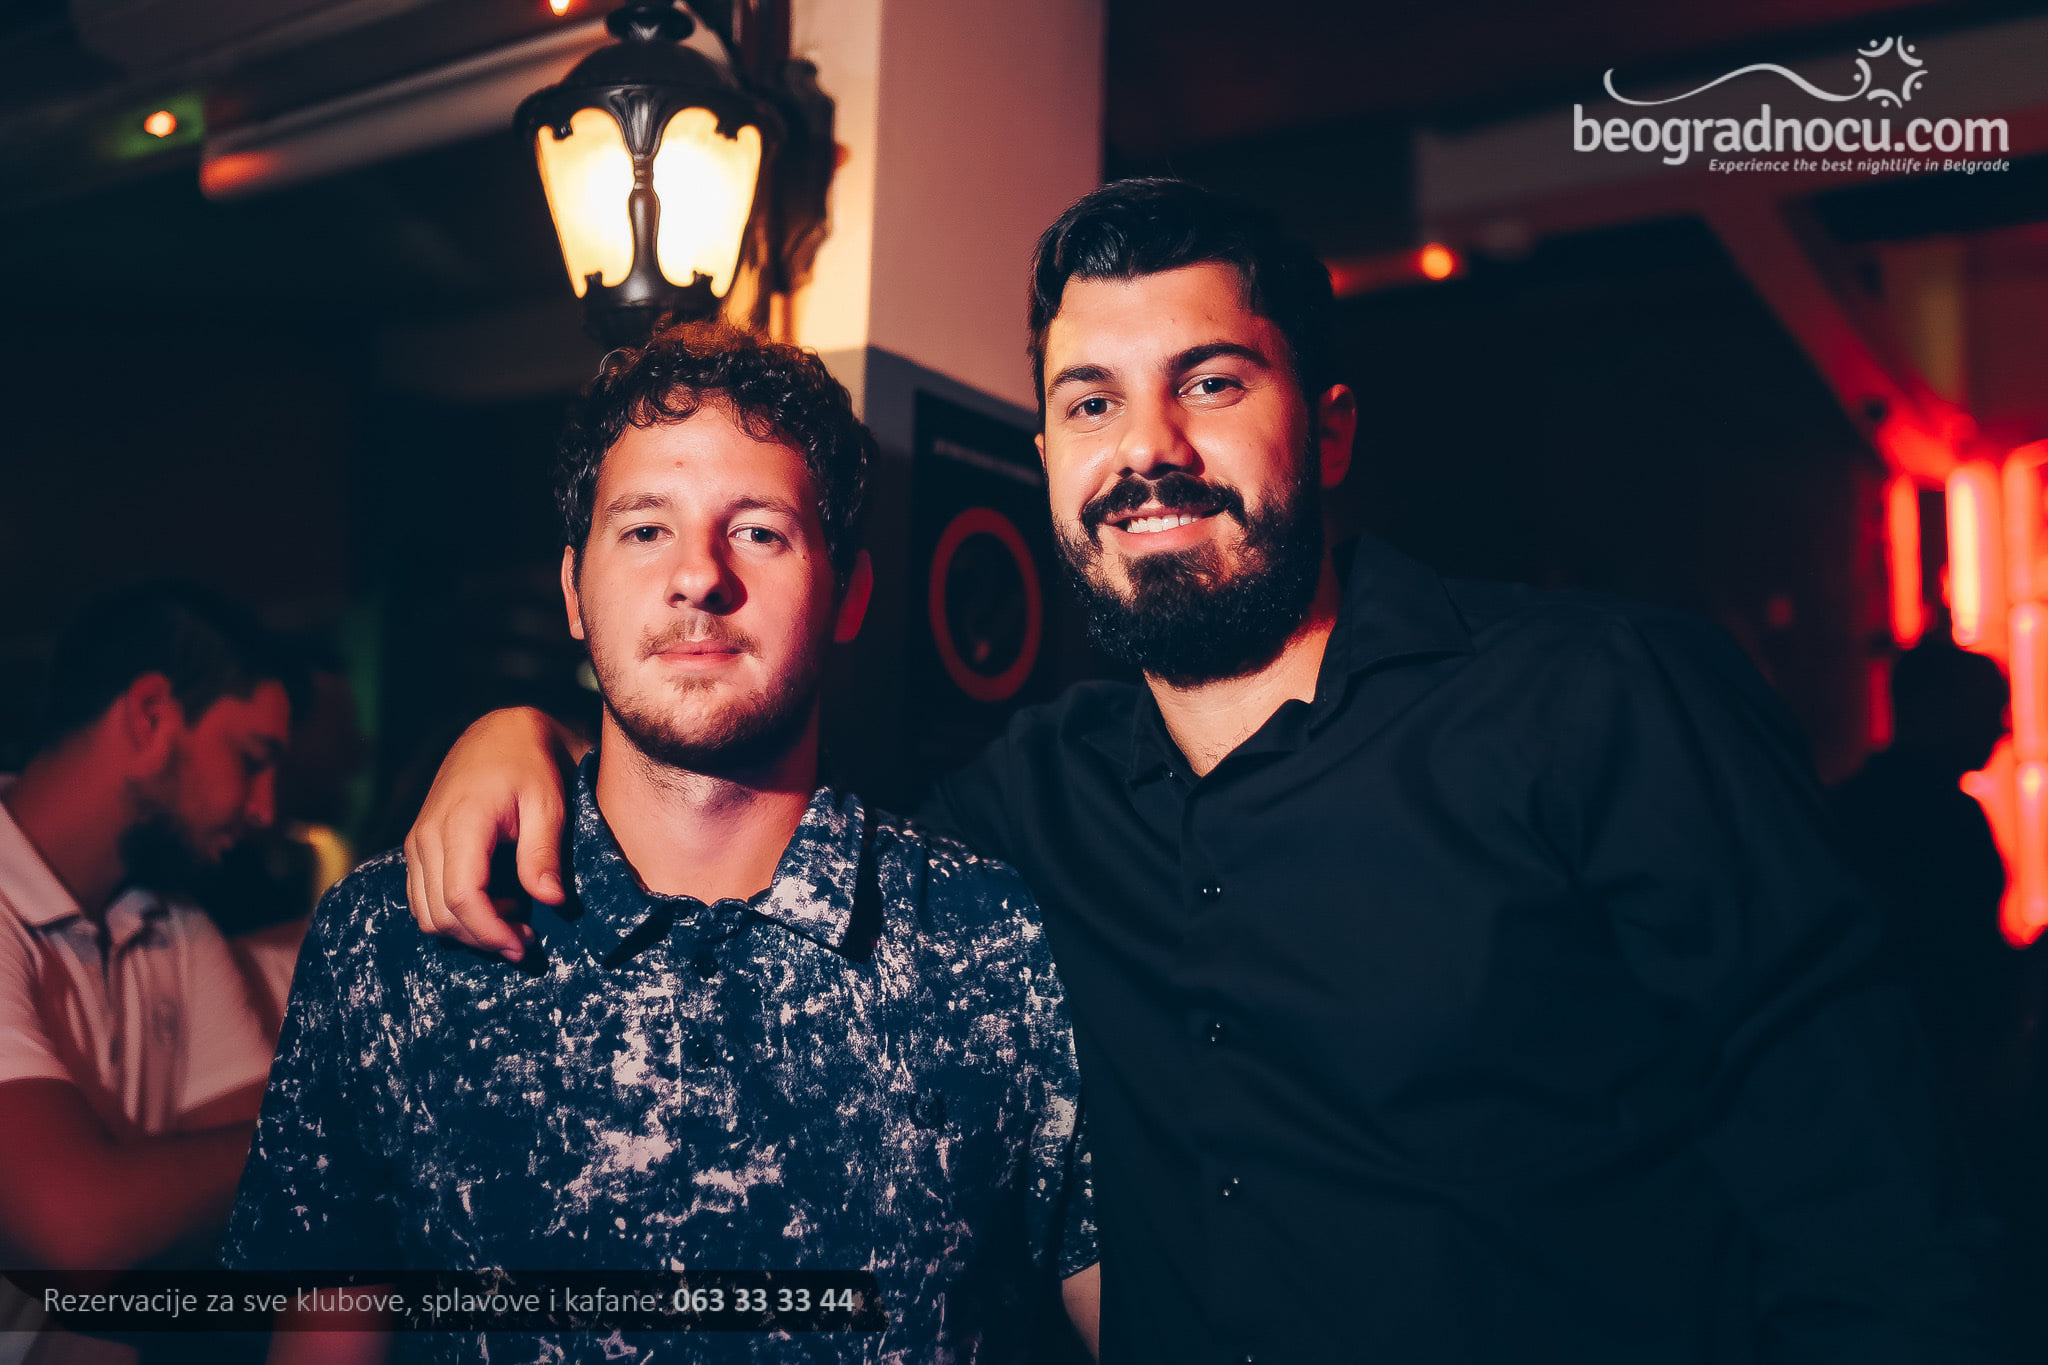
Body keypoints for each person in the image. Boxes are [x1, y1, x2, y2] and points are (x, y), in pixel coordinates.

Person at [401, 181, 2007, 1362]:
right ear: (1046, 460)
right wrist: (529, 736)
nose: (1147, 450)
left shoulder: (1600, 703)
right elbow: (728, 820)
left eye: (1211, 383)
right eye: (1091, 402)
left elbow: (1886, 1231)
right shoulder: (1020, 811)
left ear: (1331, 428)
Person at [224, 322, 1099, 1365]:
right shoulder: (390, 942)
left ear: (849, 593)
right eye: (644, 529)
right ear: (572, 591)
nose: (697, 577)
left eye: (759, 532)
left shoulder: (991, 941)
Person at [0, 586, 298, 1361]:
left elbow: (274, 1196)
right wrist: (346, 1120)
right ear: (151, 714)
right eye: (252, 759)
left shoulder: (174, 926)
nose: (265, 809)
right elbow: (78, 1232)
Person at [1832, 641, 2026, 1165]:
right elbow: (1960, 955)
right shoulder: (1946, 818)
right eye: (1989, 709)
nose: (2003, 730)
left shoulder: (1851, 809)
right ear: (1936, 706)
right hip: (1944, 1074)